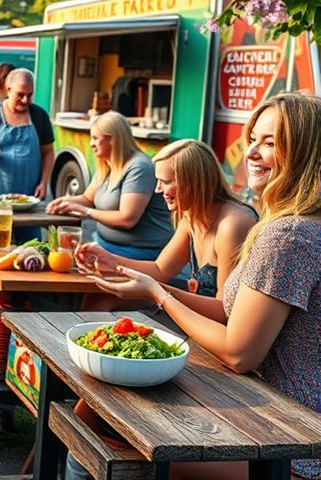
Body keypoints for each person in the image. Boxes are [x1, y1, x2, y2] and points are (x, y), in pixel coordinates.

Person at [77, 94, 321, 480]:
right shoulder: (293, 224)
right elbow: (230, 309)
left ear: (306, 153)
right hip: (268, 413)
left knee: (102, 421)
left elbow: (240, 354)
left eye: (271, 143)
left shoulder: (287, 234)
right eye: (253, 139)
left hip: (289, 444)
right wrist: (137, 279)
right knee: (93, 408)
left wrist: (157, 294)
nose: (253, 153)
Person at [76, 139, 257, 304]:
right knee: (98, 296)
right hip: (201, 319)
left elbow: (224, 311)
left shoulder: (232, 225)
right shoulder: (191, 215)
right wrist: (111, 260)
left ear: (193, 182)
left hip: (217, 329)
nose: (157, 190)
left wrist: (158, 293)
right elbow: (160, 270)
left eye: (165, 181)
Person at [46, 111, 173, 260]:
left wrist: (86, 211)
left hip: (138, 252)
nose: (91, 144)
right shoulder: (107, 164)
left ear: (112, 140)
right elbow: (87, 198)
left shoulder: (139, 168)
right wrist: (63, 202)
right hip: (104, 244)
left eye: (95, 138)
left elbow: (127, 219)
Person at [0, 68, 54, 200]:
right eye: (20, 95)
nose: (25, 100)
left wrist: (43, 183)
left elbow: (48, 152)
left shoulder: (39, 116)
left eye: (30, 95)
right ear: (8, 90)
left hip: (29, 195)